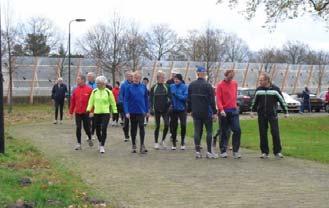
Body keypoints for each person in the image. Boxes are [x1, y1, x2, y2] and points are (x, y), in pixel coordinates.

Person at [251, 73, 289, 159]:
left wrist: (286, 111)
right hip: (261, 115)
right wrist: (252, 111)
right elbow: (254, 101)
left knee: (275, 133)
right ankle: (264, 152)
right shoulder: (258, 90)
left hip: (272, 114)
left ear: (267, 80)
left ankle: (277, 152)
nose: (260, 82)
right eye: (259, 80)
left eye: (261, 80)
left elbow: (282, 101)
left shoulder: (275, 89)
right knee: (263, 133)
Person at [187, 66, 217, 159]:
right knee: (209, 131)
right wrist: (215, 112)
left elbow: (189, 100)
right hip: (206, 112)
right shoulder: (208, 86)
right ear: (204, 74)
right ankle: (208, 152)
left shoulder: (191, 85)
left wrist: (189, 110)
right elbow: (212, 101)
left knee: (197, 131)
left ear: (197, 73)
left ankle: (197, 152)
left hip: (196, 111)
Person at [87, 76, 117, 154]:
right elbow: (91, 102)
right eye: (97, 83)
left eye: (99, 83)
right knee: (97, 129)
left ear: (103, 83)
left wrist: (115, 111)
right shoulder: (94, 91)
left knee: (103, 128)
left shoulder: (108, 92)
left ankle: (102, 146)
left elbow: (113, 102)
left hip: (106, 113)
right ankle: (100, 141)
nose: (97, 85)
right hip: (96, 113)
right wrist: (88, 110)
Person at [216, 69, 242, 159]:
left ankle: (235, 150)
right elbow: (218, 99)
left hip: (234, 110)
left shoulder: (234, 83)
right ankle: (223, 150)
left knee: (237, 130)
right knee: (224, 131)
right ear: (226, 75)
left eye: (232, 77)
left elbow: (234, 96)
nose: (231, 78)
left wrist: (235, 106)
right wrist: (221, 109)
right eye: (230, 76)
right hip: (224, 112)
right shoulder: (220, 85)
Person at [124, 72, 149, 154]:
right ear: (132, 78)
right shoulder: (128, 87)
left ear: (140, 78)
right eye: (134, 77)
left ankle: (142, 145)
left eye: (137, 77)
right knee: (133, 128)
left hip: (141, 111)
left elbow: (146, 99)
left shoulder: (143, 87)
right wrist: (127, 111)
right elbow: (126, 100)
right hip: (132, 111)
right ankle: (134, 144)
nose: (136, 79)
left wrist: (147, 110)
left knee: (142, 126)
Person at [69, 75, 93, 150]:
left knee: (87, 128)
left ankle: (89, 138)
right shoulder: (75, 90)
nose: (77, 81)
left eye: (78, 79)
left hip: (86, 113)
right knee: (78, 127)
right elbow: (72, 102)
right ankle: (78, 143)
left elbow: (92, 102)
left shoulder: (89, 90)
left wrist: (92, 111)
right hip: (78, 113)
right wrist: (71, 112)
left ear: (83, 80)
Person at [150, 71, 171, 150]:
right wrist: (151, 108)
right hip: (156, 110)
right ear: (158, 78)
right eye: (162, 77)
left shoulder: (167, 86)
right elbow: (151, 99)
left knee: (166, 125)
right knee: (157, 126)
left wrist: (170, 103)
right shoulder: (154, 87)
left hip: (165, 110)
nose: (163, 79)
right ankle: (156, 142)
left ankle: (163, 140)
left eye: (164, 77)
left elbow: (170, 96)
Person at [169, 73, 188, 150]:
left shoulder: (184, 87)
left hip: (182, 109)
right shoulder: (171, 86)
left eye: (177, 79)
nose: (176, 80)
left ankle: (182, 142)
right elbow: (169, 96)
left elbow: (184, 98)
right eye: (175, 79)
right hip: (174, 109)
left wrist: (176, 95)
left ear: (180, 80)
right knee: (174, 126)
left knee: (183, 125)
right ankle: (174, 143)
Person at [118, 71, 133, 142]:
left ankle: (133, 135)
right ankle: (126, 135)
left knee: (134, 122)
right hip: (126, 106)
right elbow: (121, 95)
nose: (131, 77)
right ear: (126, 77)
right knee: (126, 122)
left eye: (131, 76)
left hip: (133, 106)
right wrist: (122, 104)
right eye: (129, 76)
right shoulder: (123, 85)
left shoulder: (134, 84)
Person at [87, 72, 97, 139]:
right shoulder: (86, 85)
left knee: (94, 120)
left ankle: (92, 133)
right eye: (88, 76)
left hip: (96, 104)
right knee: (88, 120)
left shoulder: (97, 84)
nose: (88, 77)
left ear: (93, 77)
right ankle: (89, 134)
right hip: (88, 104)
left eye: (90, 76)